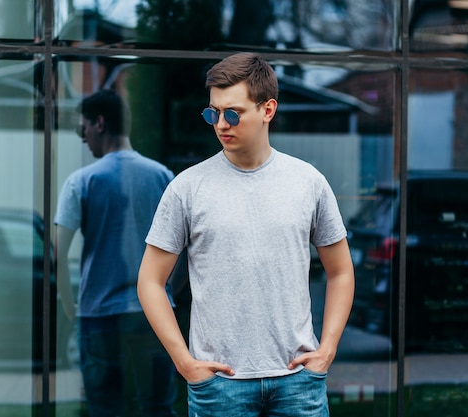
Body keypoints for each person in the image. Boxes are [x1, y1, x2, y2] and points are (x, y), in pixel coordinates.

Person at [137, 52, 355, 417]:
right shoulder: (187, 188)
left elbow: (341, 271)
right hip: (220, 385)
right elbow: (149, 281)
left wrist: (328, 347)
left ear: (268, 110)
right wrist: (184, 362)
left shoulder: (308, 182)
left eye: (233, 113)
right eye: (213, 113)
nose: (221, 124)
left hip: (298, 381)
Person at [54, 89, 177, 417]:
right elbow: (186, 252)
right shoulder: (164, 178)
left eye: (83, 128)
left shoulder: (81, 181)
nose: (82, 138)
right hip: (154, 317)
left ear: (100, 123)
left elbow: (58, 252)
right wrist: (167, 294)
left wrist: (70, 306)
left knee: (106, 409)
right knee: (157, 409)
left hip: (99, 317)